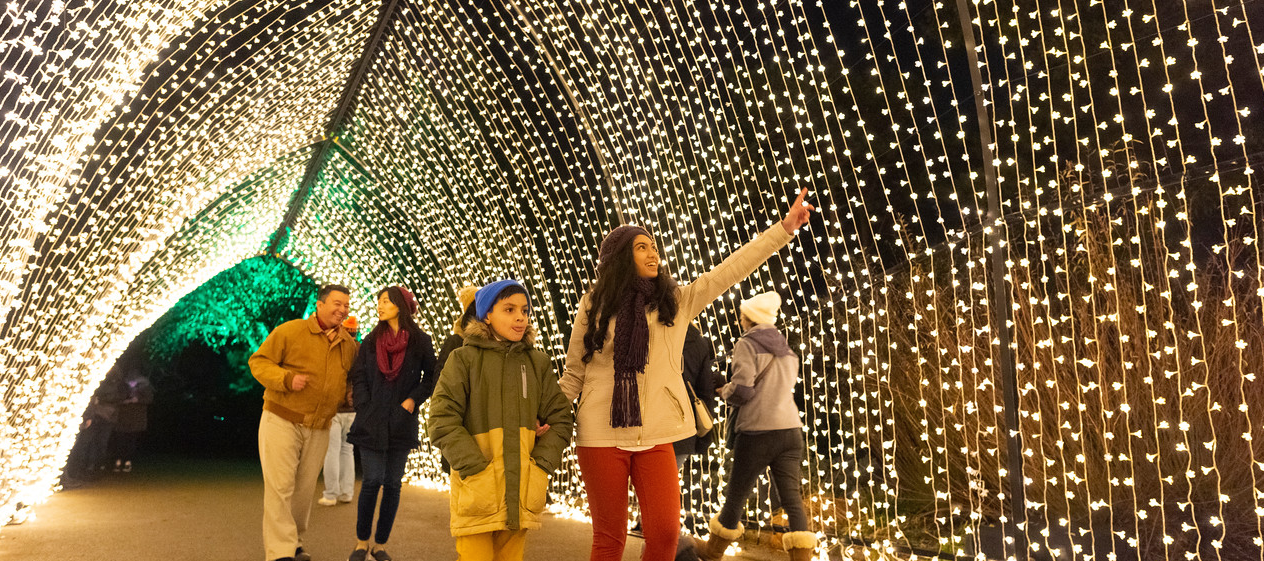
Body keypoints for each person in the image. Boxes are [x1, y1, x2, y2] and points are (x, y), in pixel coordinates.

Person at [560, 188, 814, 561]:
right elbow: (573, 372)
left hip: (660, 432)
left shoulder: (675, 302)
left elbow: (730, 269)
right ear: (618, 258)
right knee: (609, 539)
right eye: (641, 247)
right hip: (601, 433)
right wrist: (544, 414)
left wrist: (784, 230)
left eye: (653, 246)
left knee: (664, 535)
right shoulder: (594, 304)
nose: (653, 253)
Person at [428, 279, 574, 561]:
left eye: (524, 310)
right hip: (477, 492)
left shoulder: (537, 362)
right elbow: (441, 420)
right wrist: (475, 468)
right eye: (509, 309)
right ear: (486, 315)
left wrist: (541, 465)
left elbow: (561, 419)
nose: (520, 316)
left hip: (520, 492)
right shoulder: (463, 359)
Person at [694, 292, 815, 561]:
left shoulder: (747, 344)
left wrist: (724, 390)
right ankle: (802, 558)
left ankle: (712, 552)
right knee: (792, 499)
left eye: (741, 315)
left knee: (736, 495)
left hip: (758, 432)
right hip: (791, 431)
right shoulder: (787, 350)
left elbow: (744, 391)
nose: (739, 319)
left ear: (748, 318)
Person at [251, 284, 358, 561]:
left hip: (321, 425)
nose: (342, 309)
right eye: (337, 303)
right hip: (281, 419)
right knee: (280, 487)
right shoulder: (291, 331)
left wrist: (349, 394)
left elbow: (349, 382)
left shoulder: (349, 345)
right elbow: (259, 362)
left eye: (346, 305)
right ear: (320, 304)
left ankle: (295, 542)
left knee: (303, 491)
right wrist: (287, 379)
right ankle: (280, 552)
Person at [345, 286, 438, 561]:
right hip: (371, 419)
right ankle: (362, 541)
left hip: (401, 420)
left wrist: (412, 400)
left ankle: (380, 543)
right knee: (372, 480)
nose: (380, 306)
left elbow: (432, 376)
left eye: (386, 301)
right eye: (379, 302)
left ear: (401, 305)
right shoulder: (372, 340)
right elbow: (359, 375)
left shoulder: (420, 340)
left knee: (393, 483)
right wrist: (363, 404)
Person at [674, 323, 716, 530]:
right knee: (668, 481)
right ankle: (661, 530)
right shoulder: (699, 343)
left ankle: (654, 527)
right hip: (684, 426)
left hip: (652, 422)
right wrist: (703, 438)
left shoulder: (655, 334)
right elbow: (705, 390)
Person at [111, 371, 153, 473]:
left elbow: (149, 399)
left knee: (131, 441)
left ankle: (127, 461)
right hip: (122, 418)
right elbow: (116, 398)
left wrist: (138, 400)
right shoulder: (122, 386)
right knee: (120, 440)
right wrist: (124, 401)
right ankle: (118, 460)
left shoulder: (144, 387)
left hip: (136, 419)